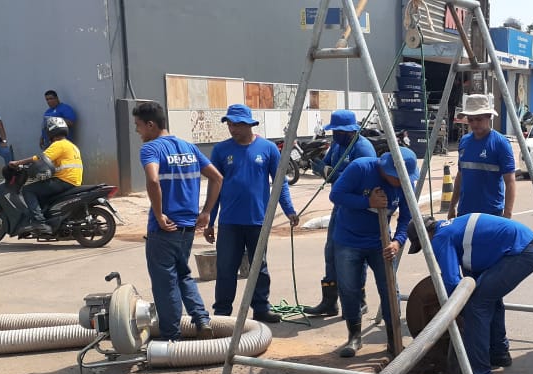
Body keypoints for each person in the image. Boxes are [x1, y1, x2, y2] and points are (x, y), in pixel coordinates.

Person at [407, 213, 533, 374]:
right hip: (527, 246)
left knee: (476, 307)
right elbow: (470, 271)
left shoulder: (440, 237)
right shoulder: (452, 228)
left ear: (426, 235)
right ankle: (498, 353)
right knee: (489, 298)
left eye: (423, 245)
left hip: (521, 251)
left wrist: (453, 313)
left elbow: (452, 282)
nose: (427, 249)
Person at [133, 100, 222, 341]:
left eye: (138, 125)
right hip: (187, 227)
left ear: (151, 125)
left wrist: (160, 214)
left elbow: (152, 181)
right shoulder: (189, 147)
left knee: (165, 282)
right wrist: (205, 213)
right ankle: (201, 319)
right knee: (183, 274)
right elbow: (217, 177)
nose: (137, 131)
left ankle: (172, 337)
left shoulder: (151, 149)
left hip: (164, 229)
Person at [204, 104, 298, 324]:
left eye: (237, 124)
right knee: (226, 268)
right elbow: (214, 188)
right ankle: (222, 312)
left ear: (249, 124)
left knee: (259, 267)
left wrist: (289, 210)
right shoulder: (220, 150)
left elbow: (279, 183)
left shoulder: (268, 149)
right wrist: (210, 218)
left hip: (258, 221)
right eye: (229, 124)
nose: (232, 129)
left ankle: (261, 308)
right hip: (229, 222)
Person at [329, 149, 418, 358]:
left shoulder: (405, 184)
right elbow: (336, 195)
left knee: (389, 290)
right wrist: (367, 202)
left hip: (381, 243)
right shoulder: (361, 168)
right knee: (349, 289)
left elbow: (406, 217)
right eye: (396, 179)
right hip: (348, 240)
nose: (399, 183)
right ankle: (354, 336)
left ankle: (393, 339)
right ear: (387, 171)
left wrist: (397, 241)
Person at [301, 109, 378, 318]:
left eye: (339, 131)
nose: (335, 134)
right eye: (333, 130)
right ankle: (330, 301)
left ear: (351, 131)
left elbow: (364, 179)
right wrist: (321, 167)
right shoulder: (337, 145)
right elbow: (328, 164)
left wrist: (330, 174)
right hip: (341, 206)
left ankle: (358, 300)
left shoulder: (363, 149)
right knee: (332, 251)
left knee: (354, 254)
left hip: (359, 208)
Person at [7, 117, 82, 235]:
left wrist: (17, 163)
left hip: (63, 180)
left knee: (29, 189)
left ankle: (39, 222)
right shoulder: (71, 145)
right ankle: (45, 217)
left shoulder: (58, 144)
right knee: (41, 190)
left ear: (50, 132)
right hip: (72, 181)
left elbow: (40, 159)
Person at [448, 94, 516, 219]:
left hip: (491, 215)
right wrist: (452, 206)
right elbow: (460, 175)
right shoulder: (464, 142)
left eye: (479, 119)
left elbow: (510, 181)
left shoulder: (500, 143)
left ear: (489, 117)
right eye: (471, 120)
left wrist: (507, 215)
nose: (474, 124)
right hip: (465, 213)